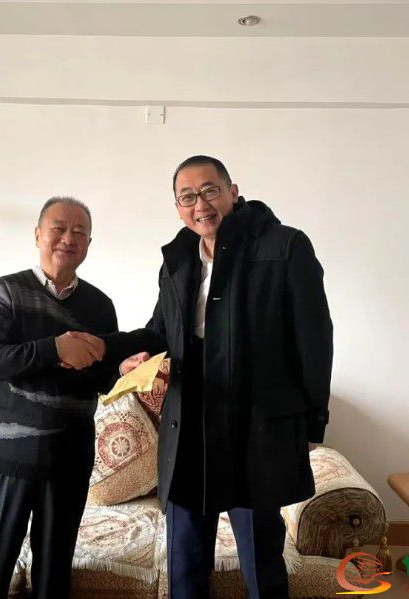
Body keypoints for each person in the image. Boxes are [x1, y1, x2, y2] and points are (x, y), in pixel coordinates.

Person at [108, 156, 333, 599]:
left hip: (255, 424)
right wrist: (120, 356)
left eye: (210, 190)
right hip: (189, 419)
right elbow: (160, 331)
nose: (201, 204)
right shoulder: (177, 259)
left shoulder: (285, 246)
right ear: (178, 208)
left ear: (232, 192)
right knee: (185, 555)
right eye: (187, 197)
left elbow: (314, 338)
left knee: (261, 556)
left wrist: (312, 423)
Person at [0, 196, 116, 599]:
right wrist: (54, 348)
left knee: (53, 578)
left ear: (88, 244)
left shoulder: (101, 306)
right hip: (8, 458)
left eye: (80, 232)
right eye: (59, 228)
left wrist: (126, 366)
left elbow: (102, 378)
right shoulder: (6, 291)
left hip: (69, 460)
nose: (69, 238)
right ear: (38, 235)